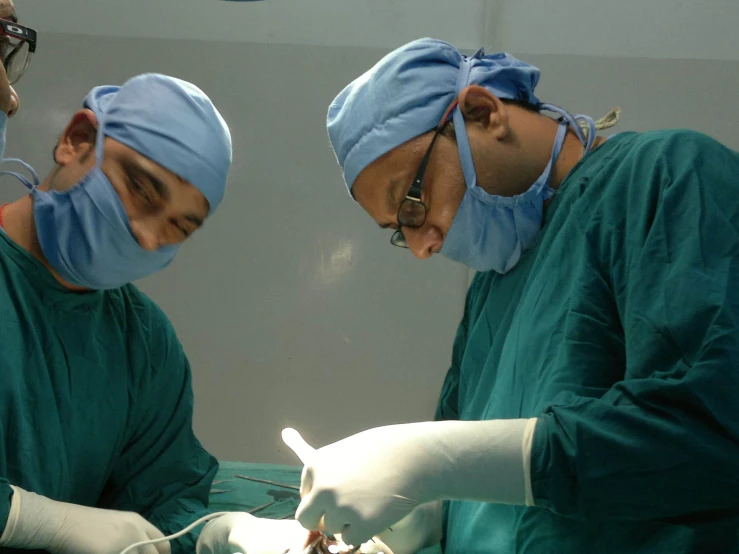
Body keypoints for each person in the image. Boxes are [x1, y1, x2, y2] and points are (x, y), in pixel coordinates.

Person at [204, 37, 739, 553]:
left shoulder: (669, 178)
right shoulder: (494, 288)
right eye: (399, 229)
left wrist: (436, 461)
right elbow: (490, 487)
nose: (421, 246)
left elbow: (708, 431)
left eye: (412, 204)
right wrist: (427, 514)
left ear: (483, 112)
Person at [0, 73, 231, 554]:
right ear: (77, 140)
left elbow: (164, 496)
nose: (149, 237)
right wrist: (29, 519)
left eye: (178, 228)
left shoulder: (143, 341)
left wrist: (213, 534)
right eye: (144, 192)